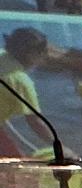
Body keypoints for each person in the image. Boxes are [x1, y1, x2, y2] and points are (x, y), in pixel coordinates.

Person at [0, 27, 50, 159]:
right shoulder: (20, 81)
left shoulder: (2, 55)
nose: (46, 55)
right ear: (31, 54)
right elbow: (35, 122)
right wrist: (59, 146)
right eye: (43, 52)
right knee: (17, 168)